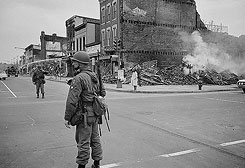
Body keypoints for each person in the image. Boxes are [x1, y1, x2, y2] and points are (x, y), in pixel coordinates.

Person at [64, 51, 106, 168]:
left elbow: (72, 101)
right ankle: (97, 163)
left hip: (84, 115)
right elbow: (102, 93)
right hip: (95, 114)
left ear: (80, 63)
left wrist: (67, 118)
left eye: (75, 62)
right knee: (95, 139)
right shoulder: (94, 76)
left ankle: (81, 166)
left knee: (83, 142)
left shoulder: (78, 78)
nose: (73, 64)